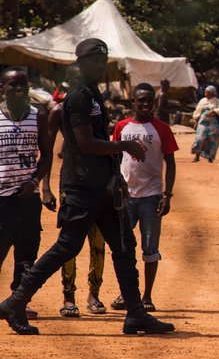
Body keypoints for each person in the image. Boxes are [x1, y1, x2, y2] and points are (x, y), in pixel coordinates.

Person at [0, 38, 174, 335]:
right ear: (81, 63)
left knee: (123, 245)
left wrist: (115, 176)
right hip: (82, 187)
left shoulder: (92, 93)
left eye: (103, 60)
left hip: (103, 186)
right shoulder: (78, 96)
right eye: (95, 60)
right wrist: (124, 145)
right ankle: (16, 301)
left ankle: (135, 313)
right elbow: (85, 143)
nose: (100, 65)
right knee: (68, 245)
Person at [111, 83, 178, 312]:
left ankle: (147, 297)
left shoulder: (162, 129)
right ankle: (127, 294)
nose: (147, 104)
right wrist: (115, 187)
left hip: (151, 197)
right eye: (142, 100)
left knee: (150, 249)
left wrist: (167, 195)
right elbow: (115, 158)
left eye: (150, 100)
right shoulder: (122, 127)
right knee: (124, 248)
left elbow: (170, 162)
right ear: (133, 103)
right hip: (126, 197)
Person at [46, 70, 107, 317]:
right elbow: (48, 151)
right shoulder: (59, 113)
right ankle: (68, 295)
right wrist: (45, 187)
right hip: (71, 184)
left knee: (98, 242)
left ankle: (94, 293)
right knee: (70, 243)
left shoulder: (96, 111)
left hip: (98, 183)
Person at [0, 68, 54, 324]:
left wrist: (34, 183)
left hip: (26, 199)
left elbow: (47, 155)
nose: (19, 89)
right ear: (3, 88)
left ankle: (18, 301)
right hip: (1, 198)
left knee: (26, 254)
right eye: (13, 85)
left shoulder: (38, 116)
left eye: (23, 84)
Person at [191, 85, 219, 163]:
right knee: (199, 139)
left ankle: (210, 158)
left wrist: (214, 111)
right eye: (205, 92)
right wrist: (196, 122)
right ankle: (196, 156)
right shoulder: (202, 101)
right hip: (203, 124)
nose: (205, 93)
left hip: (214, 125)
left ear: (212, 93)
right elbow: (198, 112)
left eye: (207, 92)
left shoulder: (217, 101)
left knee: (212, 141)